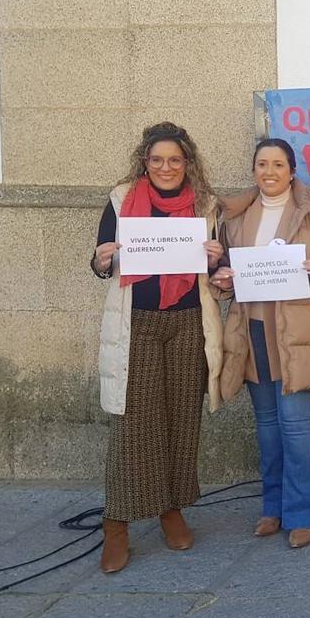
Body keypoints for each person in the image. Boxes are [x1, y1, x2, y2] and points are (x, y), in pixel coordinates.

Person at [210, 139, 310, 548]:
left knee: (295, 426)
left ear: (292, 171)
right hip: (254, 330)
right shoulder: (237, 217)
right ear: (254, 170)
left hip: (299, 333)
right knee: (268, 428)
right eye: (262, 164)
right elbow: (223, 273)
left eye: (278, 164)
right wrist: (221, 279)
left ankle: (302, 515)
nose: (269, 171)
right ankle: (271, 509)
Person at [91, 121, 225, 573]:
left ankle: (171, 510)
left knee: (181, 422)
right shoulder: (121, 200)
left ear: (187, 163)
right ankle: (117, 526)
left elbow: (218, 269)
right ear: (144, 162)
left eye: (174, 159)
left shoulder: (206, 205)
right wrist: (102, 259)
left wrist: (215, 259)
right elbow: (100, 259)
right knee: (133, 427)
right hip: (139, 324)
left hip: (189, 323)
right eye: (157, 160)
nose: (166, 167)